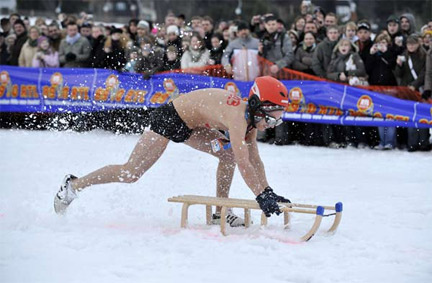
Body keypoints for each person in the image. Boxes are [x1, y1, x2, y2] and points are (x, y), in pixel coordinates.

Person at [54, 76, 292, 226]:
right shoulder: (239, 119)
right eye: (271, 120)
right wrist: (261, 196)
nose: (271, 126)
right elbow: (245, 163)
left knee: (227, 155)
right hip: (169, 119)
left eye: (277, 122)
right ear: (257, 107)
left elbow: (255, 160)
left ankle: (220, 212)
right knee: (131, 173)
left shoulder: (251, 121)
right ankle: (74, 184)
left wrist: (268, 190)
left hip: (193, 126)